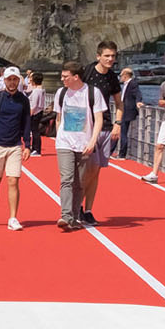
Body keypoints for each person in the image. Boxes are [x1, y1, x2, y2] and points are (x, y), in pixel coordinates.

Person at [53, 61, 108, 231]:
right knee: (67, 179)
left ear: (75, 77)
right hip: (64, 143)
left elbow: (98, 119)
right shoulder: (61, 92)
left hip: (85, 143)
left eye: (65, 76)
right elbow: (58, 118)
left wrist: (92, 141)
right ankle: (66, 215)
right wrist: (58, 137)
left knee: (80, 182)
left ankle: (75, 216)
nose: (62, 79)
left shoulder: (93, 93)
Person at [0, 67, 33, 230]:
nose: (12, 82)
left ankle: (13, 218)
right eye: (9, 79)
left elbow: (26, 124)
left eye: (15, 79)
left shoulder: (23, 100)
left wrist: (28, 145)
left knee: (13, 181)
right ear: (5, 80)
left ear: (18, 81)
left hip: (15, 146)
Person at [78, 42, 122, 226]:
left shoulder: (112, 78)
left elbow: (119, 103)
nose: (110, 59)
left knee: (95, 171)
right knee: (85, 170)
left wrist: (118, 124)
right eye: (107, 56)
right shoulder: (86, 72)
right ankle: (75, 206)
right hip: (85, 127)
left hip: (104, 126)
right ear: (98, 56)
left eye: (113, 56)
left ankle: (87, 210)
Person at [117, 67, 145, 158]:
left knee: (123, 132)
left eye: (121, 75)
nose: (120, 77)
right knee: (120, 131)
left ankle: (122, 154)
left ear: (125, 75)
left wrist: (138, 101)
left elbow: (138, 94)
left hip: (127, 110)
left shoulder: (133, 83)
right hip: (123, 109)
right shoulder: (125, 84)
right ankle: (115, 151)